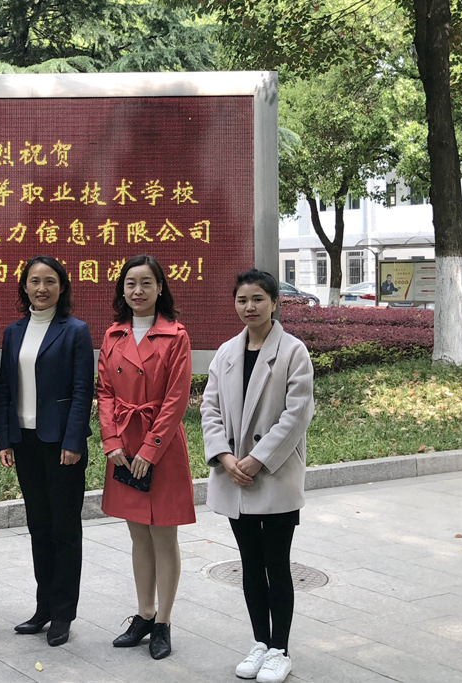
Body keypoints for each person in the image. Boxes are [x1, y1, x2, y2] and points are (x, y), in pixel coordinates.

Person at [200, 269, 315, 683]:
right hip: (234, 475)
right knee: (249, 564)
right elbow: (209, 408)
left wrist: (258, 459)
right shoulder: (226, 352)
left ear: (274, 303)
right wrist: (224, 456)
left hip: (274, 475)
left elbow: (297, 413)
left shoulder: (293, 352)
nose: (249, 307)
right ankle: (260, 643)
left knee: (276, 564)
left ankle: (280, 649)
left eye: (258, 299)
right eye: (242, 300)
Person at [97, 254, 194, 660]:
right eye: (130, 284)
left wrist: (150, 450)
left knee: (163, 536)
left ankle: (163, 622)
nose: (138, 291)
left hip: (162, 447)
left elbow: (176, 398)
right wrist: (112, 440)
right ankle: (144, 613)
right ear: (122, 290)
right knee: (138, 534)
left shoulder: (176, 335)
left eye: (146, 283)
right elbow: (104, 392)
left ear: (160, 288)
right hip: (123, 447)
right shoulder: (113, 335)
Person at [0, 256, 94, 647]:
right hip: (25, 441)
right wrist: (5, 438)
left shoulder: (75, 331)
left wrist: (73, 440)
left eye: (50, 281)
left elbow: (83, 390)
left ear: (62, 287)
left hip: (61, 444)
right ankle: (43, 608)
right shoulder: (14, 332)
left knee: (65, 529)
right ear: (24, 287)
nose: (42, 288)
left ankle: (63, 613)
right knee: (39, 526)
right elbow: (5, 387)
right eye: (34, 281)